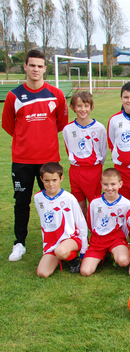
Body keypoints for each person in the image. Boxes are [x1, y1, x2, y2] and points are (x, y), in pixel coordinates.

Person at [2, 49, 68, 261]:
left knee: (53, 200)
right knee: (22, 201)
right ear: (25, 67)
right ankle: (20, 243)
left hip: (48, 160)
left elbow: (61, 123)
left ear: (45, 69)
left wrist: (42, 138)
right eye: (32, 65)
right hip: (21, 160)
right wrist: (26, 139)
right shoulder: (13, 96)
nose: (36, 69)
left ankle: (57, 240)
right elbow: (9, 125)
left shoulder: (55, 94)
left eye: (40, 66)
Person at [34, 162, 88, 277]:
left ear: (61, 178)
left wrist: (83, 252)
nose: (51, 184)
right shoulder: (38, 198)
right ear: (41, 179)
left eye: (54, 180)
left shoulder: (69, 198)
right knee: (43, 273)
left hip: (71, 239)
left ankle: (73, 260)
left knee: (61, 251)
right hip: (51, 243)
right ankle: (61, 257)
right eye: (47, 180)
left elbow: (81, 224)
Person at [80, 168, 130, 276]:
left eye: (113, 184)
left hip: (116, 238)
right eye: (105, 184)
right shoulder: (95, 203)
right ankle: (102, 255)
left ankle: (115, 252)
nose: (109, 188)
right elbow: (91, 223)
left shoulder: (126, 204)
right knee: (85, 271)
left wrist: (122, 239)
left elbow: (127, 227)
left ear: (120, 184)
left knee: (123, 261)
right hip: (98, 239)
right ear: (101, 184)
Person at [63, 91, 107, 215]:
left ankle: (95, 231)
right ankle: (82, 233)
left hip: (93, 171)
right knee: (79, 206)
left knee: (95, 205)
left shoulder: (99, 128)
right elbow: (69, 149)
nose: (83, 109)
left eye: (86, 106)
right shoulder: (67, 129)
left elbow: (103, 152)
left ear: (91, 107)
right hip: (76, 171)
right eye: (79, 106)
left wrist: (96, 166)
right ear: (72, 107)